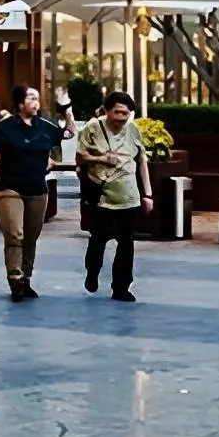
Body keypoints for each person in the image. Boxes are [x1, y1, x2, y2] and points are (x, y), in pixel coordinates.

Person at [0, 85, 62, 301]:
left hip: (38, 189)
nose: (36, 102)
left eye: (38, 98)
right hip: (10, 188)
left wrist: (67, 107)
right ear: (20, 104)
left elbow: (68, 133)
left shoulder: (45, 127)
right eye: (31, 98)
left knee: (31, 237)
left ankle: (26, 278)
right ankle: (15, 279)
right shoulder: (6, 127)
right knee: (15, 235)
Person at [78, 92, 152, 302]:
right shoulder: (93, 127)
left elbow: (142, 161)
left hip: (129, 197)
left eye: (126, 113)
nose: (121, 117)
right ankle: (92, 272)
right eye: (117, 112)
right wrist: (101, 158)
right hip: (102, 198)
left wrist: (147, 194)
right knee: (98, 241)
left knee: (126, 244)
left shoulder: (133, 129)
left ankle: (121, 288)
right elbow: (80, 157)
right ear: (107, 111)